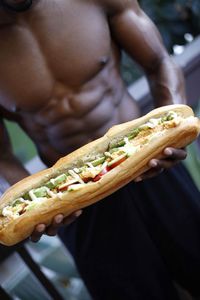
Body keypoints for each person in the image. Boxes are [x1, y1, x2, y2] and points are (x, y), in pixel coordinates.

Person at [0, 0, 200, 299]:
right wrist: (33, 210)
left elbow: (159, 62)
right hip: (76, 209)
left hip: (153, 168)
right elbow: (2, 156)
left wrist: (170, 135)